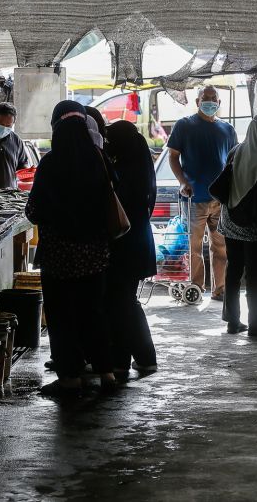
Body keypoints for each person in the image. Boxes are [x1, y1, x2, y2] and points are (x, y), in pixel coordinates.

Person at [26, 101, 117, 396]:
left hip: (59, 257)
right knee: (94, 312)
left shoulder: (51, 164)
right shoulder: (99, 158)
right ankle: (106, 372)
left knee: (63, 316)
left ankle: (70, 378)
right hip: (95, 254)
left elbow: (34, 211)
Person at [166, 86, 237, 300]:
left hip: (220, 200)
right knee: (194, 247)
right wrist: (182, 181)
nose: (209, 102)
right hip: (194, 197)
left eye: (213, 98)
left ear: (219, 101)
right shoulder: (184, 126)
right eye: (205, 98)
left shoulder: (228, 129)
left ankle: (220, 289)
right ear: (197, 102)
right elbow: (172, 156)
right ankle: (196, 288)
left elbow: (233, 161)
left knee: (221, 247)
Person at [217, 113, 257, 337]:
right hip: (253, 227)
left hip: (230, 221)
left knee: (233, 270)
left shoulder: (236, 150)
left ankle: (232, 321)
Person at [105, 120, 158, 379]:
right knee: (124, 302)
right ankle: (126, 360)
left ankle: (143, 358)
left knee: (122, 303)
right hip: (138, 243)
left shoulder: (123, 171)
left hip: (126, 245)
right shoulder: (141, 167)